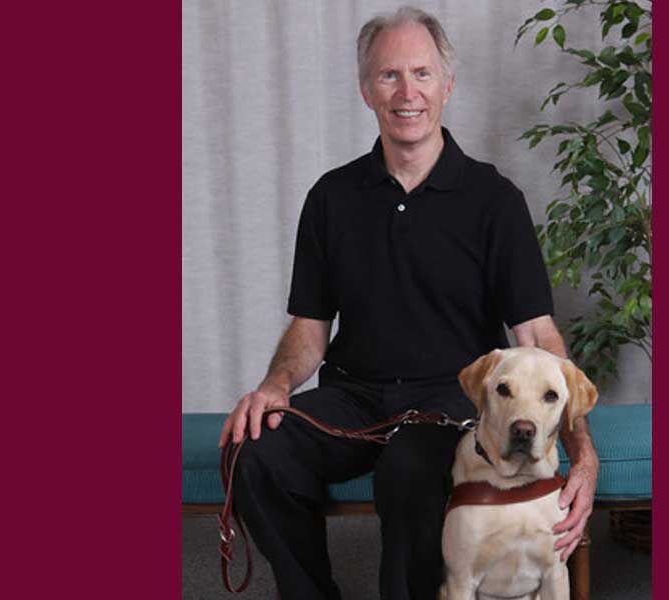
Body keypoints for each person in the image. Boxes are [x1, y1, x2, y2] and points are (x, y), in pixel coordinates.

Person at [217, 6, 600, 599]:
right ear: (366, 88)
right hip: (354, 396)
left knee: (411, 472)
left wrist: (582, 452)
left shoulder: (495, 200)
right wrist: (275, 386)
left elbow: (535, 336)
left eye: (421, 74)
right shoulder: (331, 196)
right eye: (389, 75)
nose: (407, 92)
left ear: (447, 85)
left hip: (450, 400)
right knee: (255, 453)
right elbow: (309, 329)